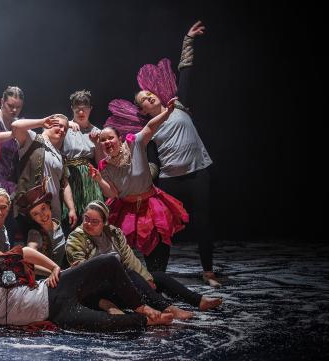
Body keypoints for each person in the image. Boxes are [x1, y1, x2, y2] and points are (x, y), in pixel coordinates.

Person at [108, 21, 219, 287]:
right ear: (143, 111)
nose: (148, 99)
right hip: (170, 179)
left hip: (197, 173)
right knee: (163, 228)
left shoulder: (179, 106)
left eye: (149, 95)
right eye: (142, 101)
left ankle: (208, 272)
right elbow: (140, 156)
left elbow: (186, 72)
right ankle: (158, 274)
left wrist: (188, 40)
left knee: (203, 223)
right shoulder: (147, 128)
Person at [0, 246, 173, 331]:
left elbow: (25, 252)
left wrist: (54, 268)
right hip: (56, 313)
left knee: (108, 261)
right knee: (105, 325)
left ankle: (141, 306)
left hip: (53, 290)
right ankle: (148, 321)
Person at [66, 201, 222, 317]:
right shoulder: (76, 238)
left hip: (124, 281)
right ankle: (168, 308)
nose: (88, 224)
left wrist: (146, 278)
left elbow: (129, 257)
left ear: (104, 223)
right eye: (86, 219)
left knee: (158, 277)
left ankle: (198, 301)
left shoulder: (113, 233)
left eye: (95, 221)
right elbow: (83, 270)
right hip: (99, 289)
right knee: (131, 276)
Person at [91, 98, 189, 274]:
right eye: (103, 140)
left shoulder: (134, 143)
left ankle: (159, 281)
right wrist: (99, 179)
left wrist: (166, 113)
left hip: (150, 205)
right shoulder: (105, 166)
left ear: (119, 138)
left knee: (158, 246)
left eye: (110, 138)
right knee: (123, 253)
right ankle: (134, 287)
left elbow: (150, 127)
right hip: (125, 209)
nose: (107, 142)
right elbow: (113, 193)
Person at [11, 114, 77, 228]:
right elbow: (15, 126)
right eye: (59, 126)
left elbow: (65, 183)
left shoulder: (60, 155)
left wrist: (71, 209)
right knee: (32, 243)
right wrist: (41, 121)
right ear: (49, 124)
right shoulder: (32, 140)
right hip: (31, 211)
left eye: (65, 129)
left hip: (53, 213)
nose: (62, 130)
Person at [61, 90, 105, 227]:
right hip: (68, 176)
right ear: (72, 109)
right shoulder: (64, 127)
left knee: (91, 215)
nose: (81, 113)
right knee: (70, 217)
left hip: (88, 178)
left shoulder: (96, 131)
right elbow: (49, 123)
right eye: (77, 109)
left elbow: (99, 161)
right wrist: (66, 123)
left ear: (90, 109)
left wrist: (97, 143)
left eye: (84, 109)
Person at [16, 180, 69, 270]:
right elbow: (28, 257)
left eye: (43, 208)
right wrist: (52, 271)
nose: (42, 215)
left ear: (49, 205)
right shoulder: (35, 234)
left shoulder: (62, 225)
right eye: (35, 214)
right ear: (32, 218)